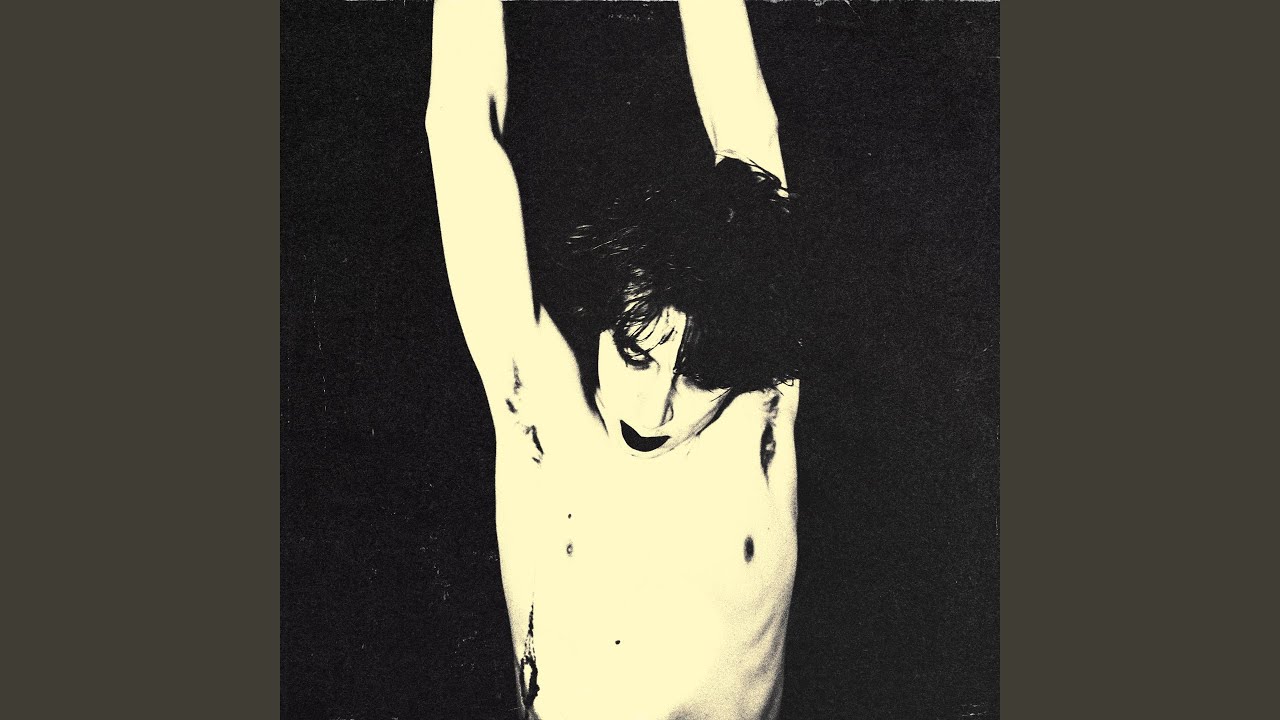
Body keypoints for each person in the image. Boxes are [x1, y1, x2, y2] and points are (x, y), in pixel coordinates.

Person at [426, 1, 806, 718]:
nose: (655, 410)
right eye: (636, 356)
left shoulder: (759, 399)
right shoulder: (544, 422)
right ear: (603, 325)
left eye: (696, 378)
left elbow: (748, 134)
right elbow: (462, 133)